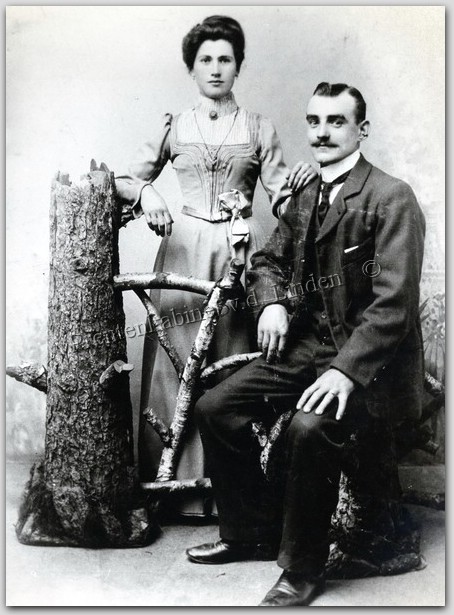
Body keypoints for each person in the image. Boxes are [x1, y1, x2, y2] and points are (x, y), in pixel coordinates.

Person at [186, 82, 426, 606]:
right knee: (216, 407)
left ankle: (302, 569)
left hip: (369, 365)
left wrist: (345, 370)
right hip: (307, 349)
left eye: (336, 122)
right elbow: (267, 261)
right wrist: (271, 303)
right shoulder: (307, 195)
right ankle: (251, 532)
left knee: (308, 427)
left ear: (362, 129)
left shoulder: (391, 197)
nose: (322, 133)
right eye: (314, 121)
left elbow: (394, 306)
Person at [115, 15, 316, 517]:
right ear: (192, 68)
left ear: (238, 66)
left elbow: (283, 198)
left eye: (225, 58)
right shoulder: (174, 126)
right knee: (176, 362)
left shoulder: (258, 128)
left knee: (232, 362)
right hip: (181, 252)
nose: (215, 68)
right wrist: (147, 193)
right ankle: (170, 490)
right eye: (205, 59)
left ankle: (231, 496)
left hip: (238, 253)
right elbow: (121, 178)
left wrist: (302, 186)